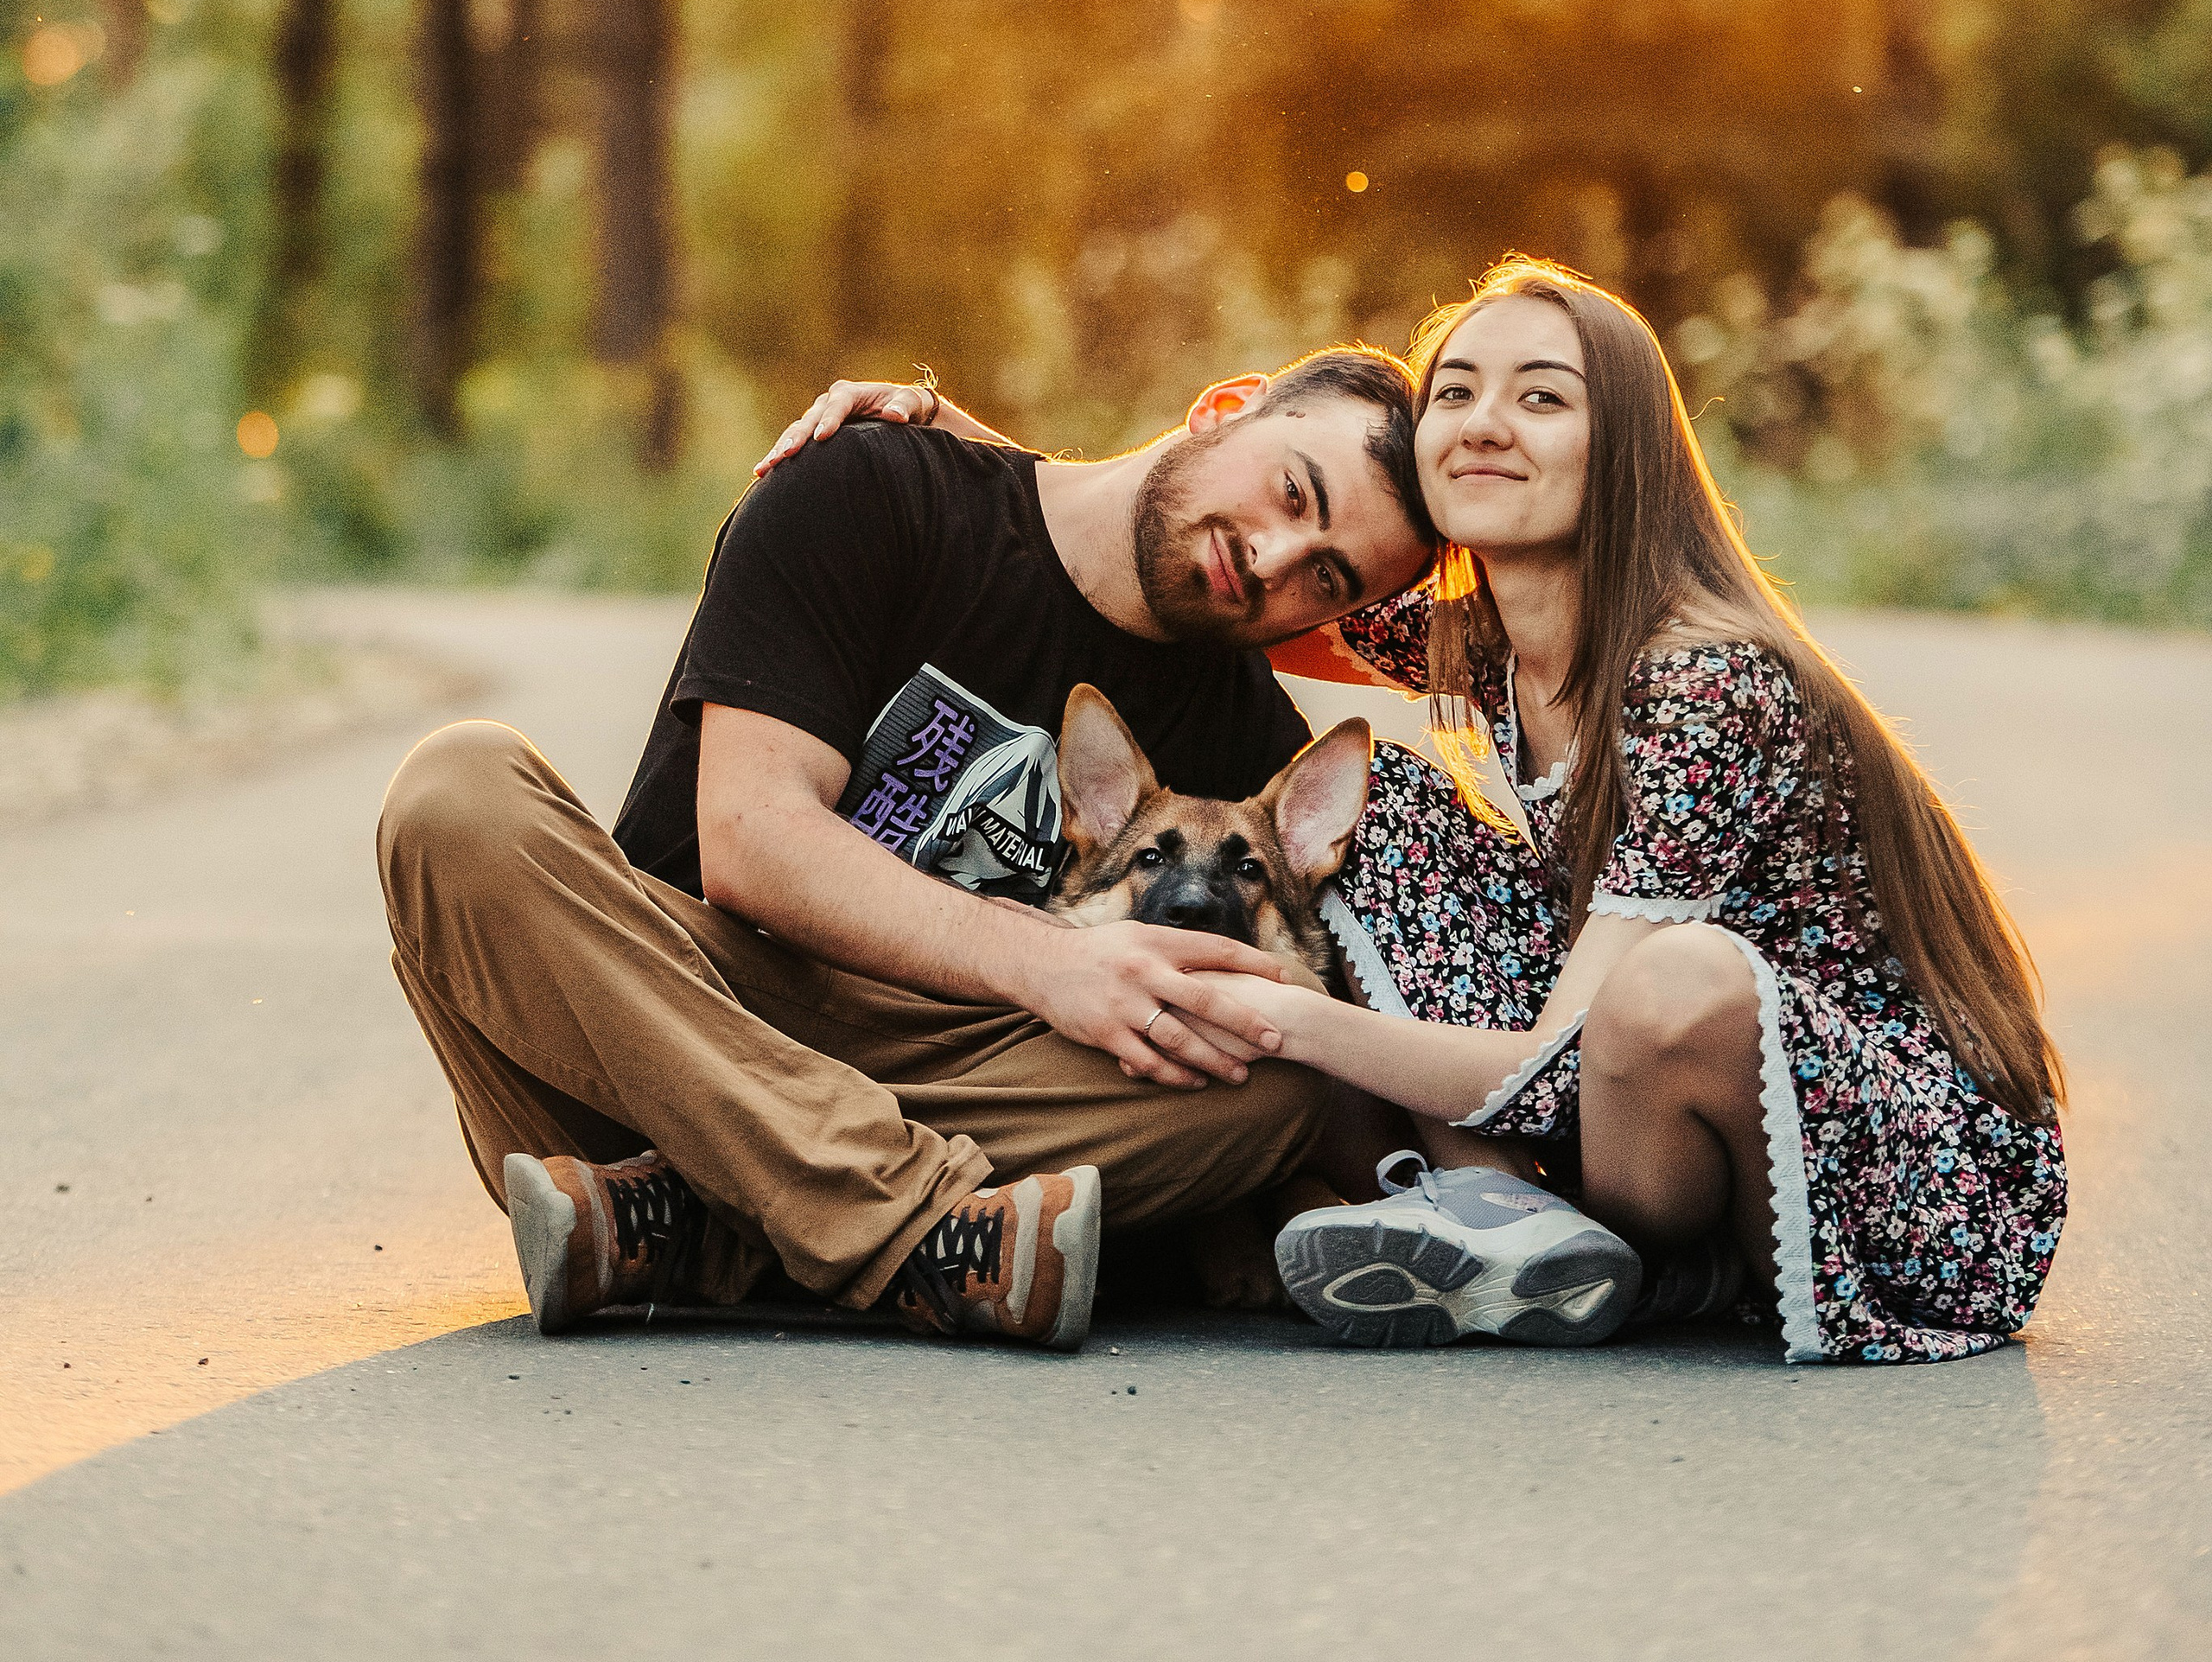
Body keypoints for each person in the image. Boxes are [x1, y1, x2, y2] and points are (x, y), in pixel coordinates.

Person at [808, 260, 2069, 1365]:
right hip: (1656, 1109)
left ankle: (1568, 1232)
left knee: (1667, 980)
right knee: (1372, 808)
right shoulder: (1480, 640)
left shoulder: (1702, 677)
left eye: (1542, 395)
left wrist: (1277, 1015)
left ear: (1619, 444)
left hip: (1906, 1165)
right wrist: (960, 448)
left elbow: (1566, 1060)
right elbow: (1190, 543)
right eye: (1456, 389)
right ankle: (1495, 1211)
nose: (1481, 421)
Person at [375, 347, 1445, 1357]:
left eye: (1328, 579)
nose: (1269, 558)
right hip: (657, 1035)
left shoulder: (1243, 745)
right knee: (455, 792)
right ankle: (914, 1232)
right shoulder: (874, 488)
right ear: (1225, 408)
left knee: (1268, 1089)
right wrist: (1047, 962)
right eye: (1293, 494)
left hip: (930, 1084)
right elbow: (749, 846)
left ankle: (702, 1222)